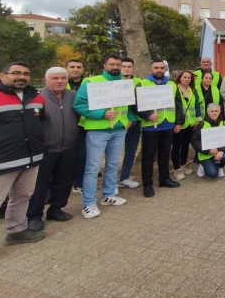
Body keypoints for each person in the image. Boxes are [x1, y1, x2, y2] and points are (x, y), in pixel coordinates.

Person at [73, 54, 137, 218]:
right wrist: (102, 114)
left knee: (113, 165)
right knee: (93, 168)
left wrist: (129, 119)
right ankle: (88, 203)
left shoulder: (124, 84)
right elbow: (79, 105)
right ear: (104, 65)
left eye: (118, 64)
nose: (115, 67)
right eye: (112, 64)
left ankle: (108, 195)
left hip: (119, 131)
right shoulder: (91, 82)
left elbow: (128, 107)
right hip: (97, 131)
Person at [0, 62, 46, 245]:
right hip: (0, 161)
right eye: (16, 73)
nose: (21, 77)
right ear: (2, 76)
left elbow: (41, 123)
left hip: (31, 158)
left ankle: (16, 231)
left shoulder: (37, 98)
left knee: (22, 196)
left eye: (25, 73)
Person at [26, 67, 78, 231]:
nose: (60, 81)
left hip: (68, 146)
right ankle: (34, 216)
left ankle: (56, 209)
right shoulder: (37, 98)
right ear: (45, 80)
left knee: (64, 181)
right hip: (46, 149)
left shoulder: (73, 96)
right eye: (55, 78)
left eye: (63, 78)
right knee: (40, 185)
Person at [136, 59, 184, 198]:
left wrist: (178, 122)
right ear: (151, 69)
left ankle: (164, 179)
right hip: (150, 127)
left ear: (165, 69)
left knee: (164, 155)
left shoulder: (171, 85)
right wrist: (147, 116)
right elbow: (136, 105)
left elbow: (178, 105)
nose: (159, 70)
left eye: (161, 68)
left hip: (168, 125)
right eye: (156, 67)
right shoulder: (143, 84)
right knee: (148, 157)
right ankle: (147, 184)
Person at [171, 70, 201, 179]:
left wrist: (198, 119)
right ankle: (177, 170)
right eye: (185, 77)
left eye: (189, 78)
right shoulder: (175, 90)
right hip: (179, 124)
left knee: (185, 146)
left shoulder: (193, 91)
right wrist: (176, 122)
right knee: (176, 146)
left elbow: (197, 106)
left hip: (190, 123)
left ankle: (183, 166)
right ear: (180, 78)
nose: (187, 79)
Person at [117, 57, 142, 189]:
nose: (126, 68)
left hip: (135, 123)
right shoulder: (113, 82)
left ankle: (124, 177)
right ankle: (109, 182)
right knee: (113, 154)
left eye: (129, 66)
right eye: (124, 66)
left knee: (131, 151)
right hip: (116, 123)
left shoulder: (138, 82)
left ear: (133, 68)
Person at [191, 104, 225, 178]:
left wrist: (222, 150)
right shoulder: (202, 125)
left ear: (219, 113)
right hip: (205, 154)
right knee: (212, 174)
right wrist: (208, 150)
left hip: (218, 153)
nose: (214, 113)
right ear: (208, 113)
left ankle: (220, 167)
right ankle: (202, 165)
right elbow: (194, 141)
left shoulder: (224, 124)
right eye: (212, 111)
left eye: (216, 111)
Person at [67, 58, 87, 194]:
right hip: (66, 125)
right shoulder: (61, 83)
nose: (75, 69)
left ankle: (78, 183)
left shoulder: (88, 83)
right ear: (66, 68)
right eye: (72, 67)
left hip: (84, 125)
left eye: (79, 67)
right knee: (66, 156)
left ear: (83, 69)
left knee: (82, 156)